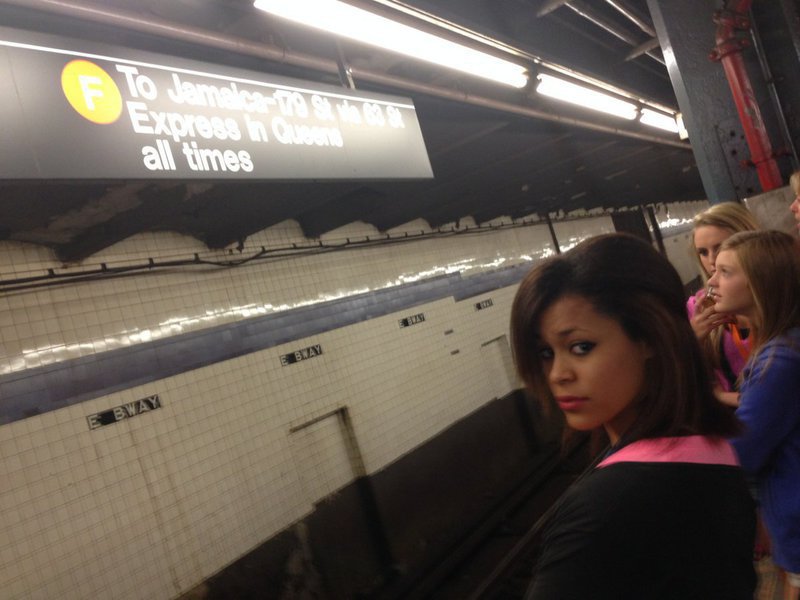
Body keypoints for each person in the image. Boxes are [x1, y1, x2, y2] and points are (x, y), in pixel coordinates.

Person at [510, 233, 756, 599]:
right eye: (546, 353)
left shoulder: (602, 505)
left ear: (650, 338)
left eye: (581, 347)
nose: (558, 374)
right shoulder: (713, 447)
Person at [708, 230, 800, 599]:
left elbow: (741, 454)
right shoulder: (786, 343)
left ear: (762, 281)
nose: (712, 281)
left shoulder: (779, 358)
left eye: (725, 271)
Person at [687, 202, 760, 406]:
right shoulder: (697, 308)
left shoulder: (782, 300)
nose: (711, 260)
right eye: (702, 252)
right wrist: (692, 342)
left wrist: (723, 397)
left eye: (721, 247)